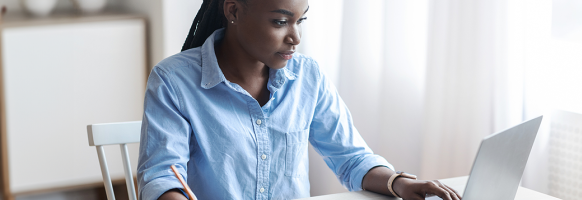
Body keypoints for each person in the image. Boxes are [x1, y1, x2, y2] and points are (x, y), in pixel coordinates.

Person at [137, 0, 462, 199]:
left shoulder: (307, 77)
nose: (295, 37)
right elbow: (162, 175)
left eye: (300, 20)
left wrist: (399, 183)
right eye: (280, 22)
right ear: (233, 9)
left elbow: (350, 158)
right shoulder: (173, 80)